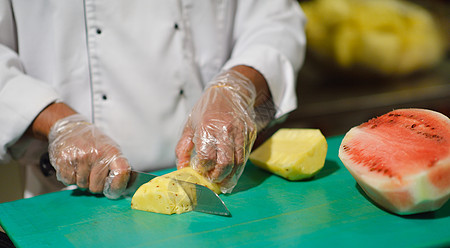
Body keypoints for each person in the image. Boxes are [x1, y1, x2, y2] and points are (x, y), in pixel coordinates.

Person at [0, 1, 306, 199]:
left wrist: (237, 87)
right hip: (70, 195)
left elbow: (276, 18)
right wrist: (57, 123)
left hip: (215, 178)